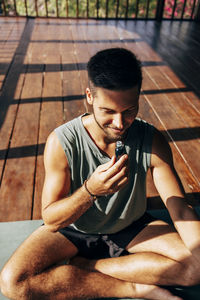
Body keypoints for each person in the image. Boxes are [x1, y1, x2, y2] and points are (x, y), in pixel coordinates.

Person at [1, 48, 200, 300]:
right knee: (14, 282)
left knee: (196, 268)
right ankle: (135, 287)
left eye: (129, 110)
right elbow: (51, 219)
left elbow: (179, 206)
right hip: (74, 226)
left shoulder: (151, 140)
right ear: (89, 97)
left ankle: (87, 266)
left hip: (131, 224)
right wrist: (90, 191)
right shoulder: (62, 141)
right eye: (108, 111)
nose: (119, 123)